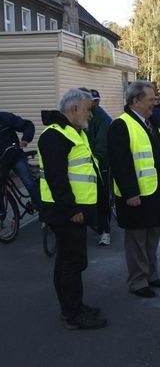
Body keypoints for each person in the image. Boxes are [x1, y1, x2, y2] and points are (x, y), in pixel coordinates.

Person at [38, 88, 107, 330]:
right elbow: (57, 178)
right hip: (66, 212)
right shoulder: (55, 136)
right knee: (73, 262)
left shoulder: (73, 132)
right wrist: (72, 209)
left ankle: (71, 307)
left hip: (73, 210)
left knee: (68, 261)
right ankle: (73, 313)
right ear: (75, 109)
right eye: (89, 109)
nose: (91, 114)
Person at [108, 80, 160, 298]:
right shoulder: (121, 125)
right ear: (135, 101)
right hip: (137, 195)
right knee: (137, 240)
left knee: (151, 236)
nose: (154, 103)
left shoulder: (150, 121)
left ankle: (151, 275)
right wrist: (130, 193)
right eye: (151, 99)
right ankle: (138, 282)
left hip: (154, 192)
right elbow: (120, 163)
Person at [84, 89, 113, 246]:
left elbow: (102, 142)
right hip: (85, 164)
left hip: (100, 163)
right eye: (92, 100)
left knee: (102, 197)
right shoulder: (84, 116)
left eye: (96, 100)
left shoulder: (102, 117)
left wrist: (96, 158)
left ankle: (106, 232)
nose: (94, 103)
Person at [0, 111, 40, 208]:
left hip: (15, 157)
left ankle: (44, 216)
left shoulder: (5, 118)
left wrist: (25, 139)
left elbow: (28, 125)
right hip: (1, 163)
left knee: (29, 184)